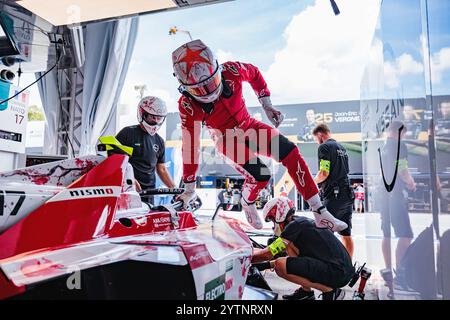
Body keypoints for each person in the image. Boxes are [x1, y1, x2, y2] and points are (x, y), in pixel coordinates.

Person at [172, 39, 347, 231]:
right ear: (185, 87)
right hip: (226, 139)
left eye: (211, 82)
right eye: (199, 89)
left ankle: (319, 212)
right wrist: (189, 187)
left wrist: (267, 104)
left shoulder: (232, 70)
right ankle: (248, 201)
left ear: (217, 69)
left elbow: (254, 72)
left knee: (290, 152)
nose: (208, 91)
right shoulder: (187, 105)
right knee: (262, 175)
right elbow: (190, 146)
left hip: (249, 125)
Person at [252, 197, 354, 300]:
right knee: (289, 247)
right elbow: (287, 253)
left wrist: (245, 260)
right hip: (341, 270)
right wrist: (265, 265)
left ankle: (330, 291)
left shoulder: (293, 226)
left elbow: (268, 254)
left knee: (280, 266)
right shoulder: (298, 222)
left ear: (279, 215)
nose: (273, 224)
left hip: (337, 272)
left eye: (272, 219)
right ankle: (306, 291)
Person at [116, 96, 176, 204]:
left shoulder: (159, 141)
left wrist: (175, 190)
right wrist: (129, 180)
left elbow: (161, 169)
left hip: (149, 194)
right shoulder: (127, 133)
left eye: (159, 118)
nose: (156, 121)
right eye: (152, 117)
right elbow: (115, 162)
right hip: (127, 192)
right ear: (143, 114)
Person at [379, 121, 416, 290]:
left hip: (383, 193)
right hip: (394, 194)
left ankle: (388, 271)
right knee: (406, 234)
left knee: (386, 233)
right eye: (405, 133)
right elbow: (402, 170)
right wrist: (411, 183)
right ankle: (400, 274)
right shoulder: (400, 146)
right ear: (399, 132)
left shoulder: (384, 146)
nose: (405, 137)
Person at [312, 123, 355, 257]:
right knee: (346, 234)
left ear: (320, 135)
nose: (316, 142)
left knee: (324, 232)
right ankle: (349, 265)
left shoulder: (324, 147)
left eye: (315, 139)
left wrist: (311, 184)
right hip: (347, 195)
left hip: (334, 196)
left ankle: (327, 264)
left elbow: (324, 172)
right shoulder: (341, 148)